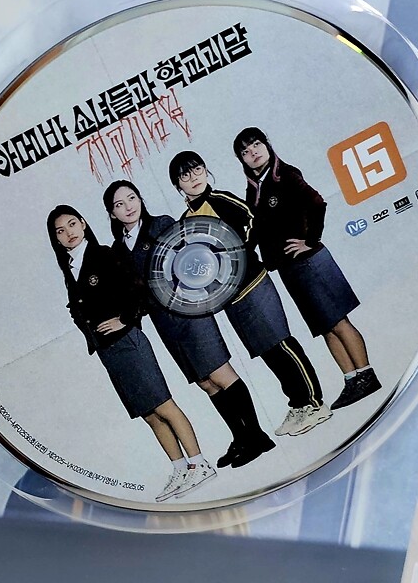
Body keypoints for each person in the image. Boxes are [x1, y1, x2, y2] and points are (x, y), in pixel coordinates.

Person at [101, 179, 275, 470]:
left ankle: (256, 436)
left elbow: (191, 258)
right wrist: (125, 318)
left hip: (190, 311)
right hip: (164, 323)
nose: (128, 206)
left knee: (220, 373)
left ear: (140, 199)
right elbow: (132, 295)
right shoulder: (118, 250)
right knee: (206, 383)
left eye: (132, 198)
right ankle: (240, 436)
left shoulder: (161, 224)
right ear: (112, 213)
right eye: (120, 204)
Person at [48, 204, 214, 497]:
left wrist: (125, 319)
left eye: (72, 224)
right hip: (108, 351)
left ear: (83, 223)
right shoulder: (70, 268)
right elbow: (77, 308)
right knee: (149, 414)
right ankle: (180, 468)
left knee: (164, 405)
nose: (68, 233)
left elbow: (138, 288)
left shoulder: (102, 255)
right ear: (57, 239)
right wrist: (89, 332)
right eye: (60, 231)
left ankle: (199, 463)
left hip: (129, 343)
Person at [168, 150, 332, 440]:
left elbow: (253, 222)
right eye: (185, 175)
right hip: (229, 298)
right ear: (177, 184)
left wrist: (234, 253)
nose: (193, 178)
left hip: (254, 285)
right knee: (268, 352)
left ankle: (314, 403)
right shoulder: (185, 221)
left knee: (280, 344)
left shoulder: (221, 200)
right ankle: (297, 404)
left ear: (206, 170)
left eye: (197, 169)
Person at [233, 128, 380, 408]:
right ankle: (351, 380)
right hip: (290, 269)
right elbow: (257, 229)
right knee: (324, 327)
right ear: (242, 160)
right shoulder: (254, 189)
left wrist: (310, 241)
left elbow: (317, 204)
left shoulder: (286, 175)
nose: (253, 152)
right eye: (245, 151)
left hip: (311, 263)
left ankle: (366, 375)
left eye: (256, 144)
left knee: (338, 321)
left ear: (267, 145)